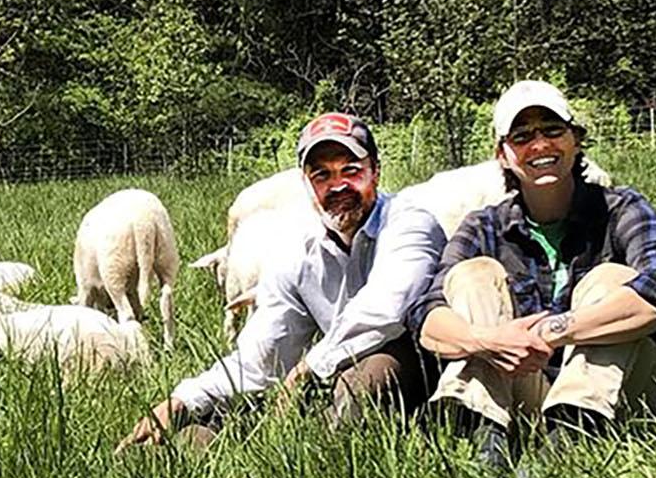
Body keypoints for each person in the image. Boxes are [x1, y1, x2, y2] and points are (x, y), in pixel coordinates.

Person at [118, 112, 445, 449]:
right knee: (201, 430)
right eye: (322, 175)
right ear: (306, 183)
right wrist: (184, 401)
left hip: (416, 364)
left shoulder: (409, 223)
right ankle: (201, 455)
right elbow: (265, 352)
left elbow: (385, 312)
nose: (338, 186)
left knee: (366, 379)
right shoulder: (299, 250)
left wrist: (308, 368)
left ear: (375, 171)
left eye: (351, 170)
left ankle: (321, 466)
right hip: (329, 370)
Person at [415, 80, 656, 470]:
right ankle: (488, 447)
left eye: (553, 130)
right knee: (473, 274)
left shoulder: (622, 209)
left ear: (575, 140)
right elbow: (427, 318)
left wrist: (552, 331)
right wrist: (490, 340)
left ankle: (564, 451)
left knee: (610, 280)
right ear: (503, 155)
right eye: (522, 136)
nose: (539, 145)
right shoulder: (483, 226)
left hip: (624, 397)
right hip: (527, 393)